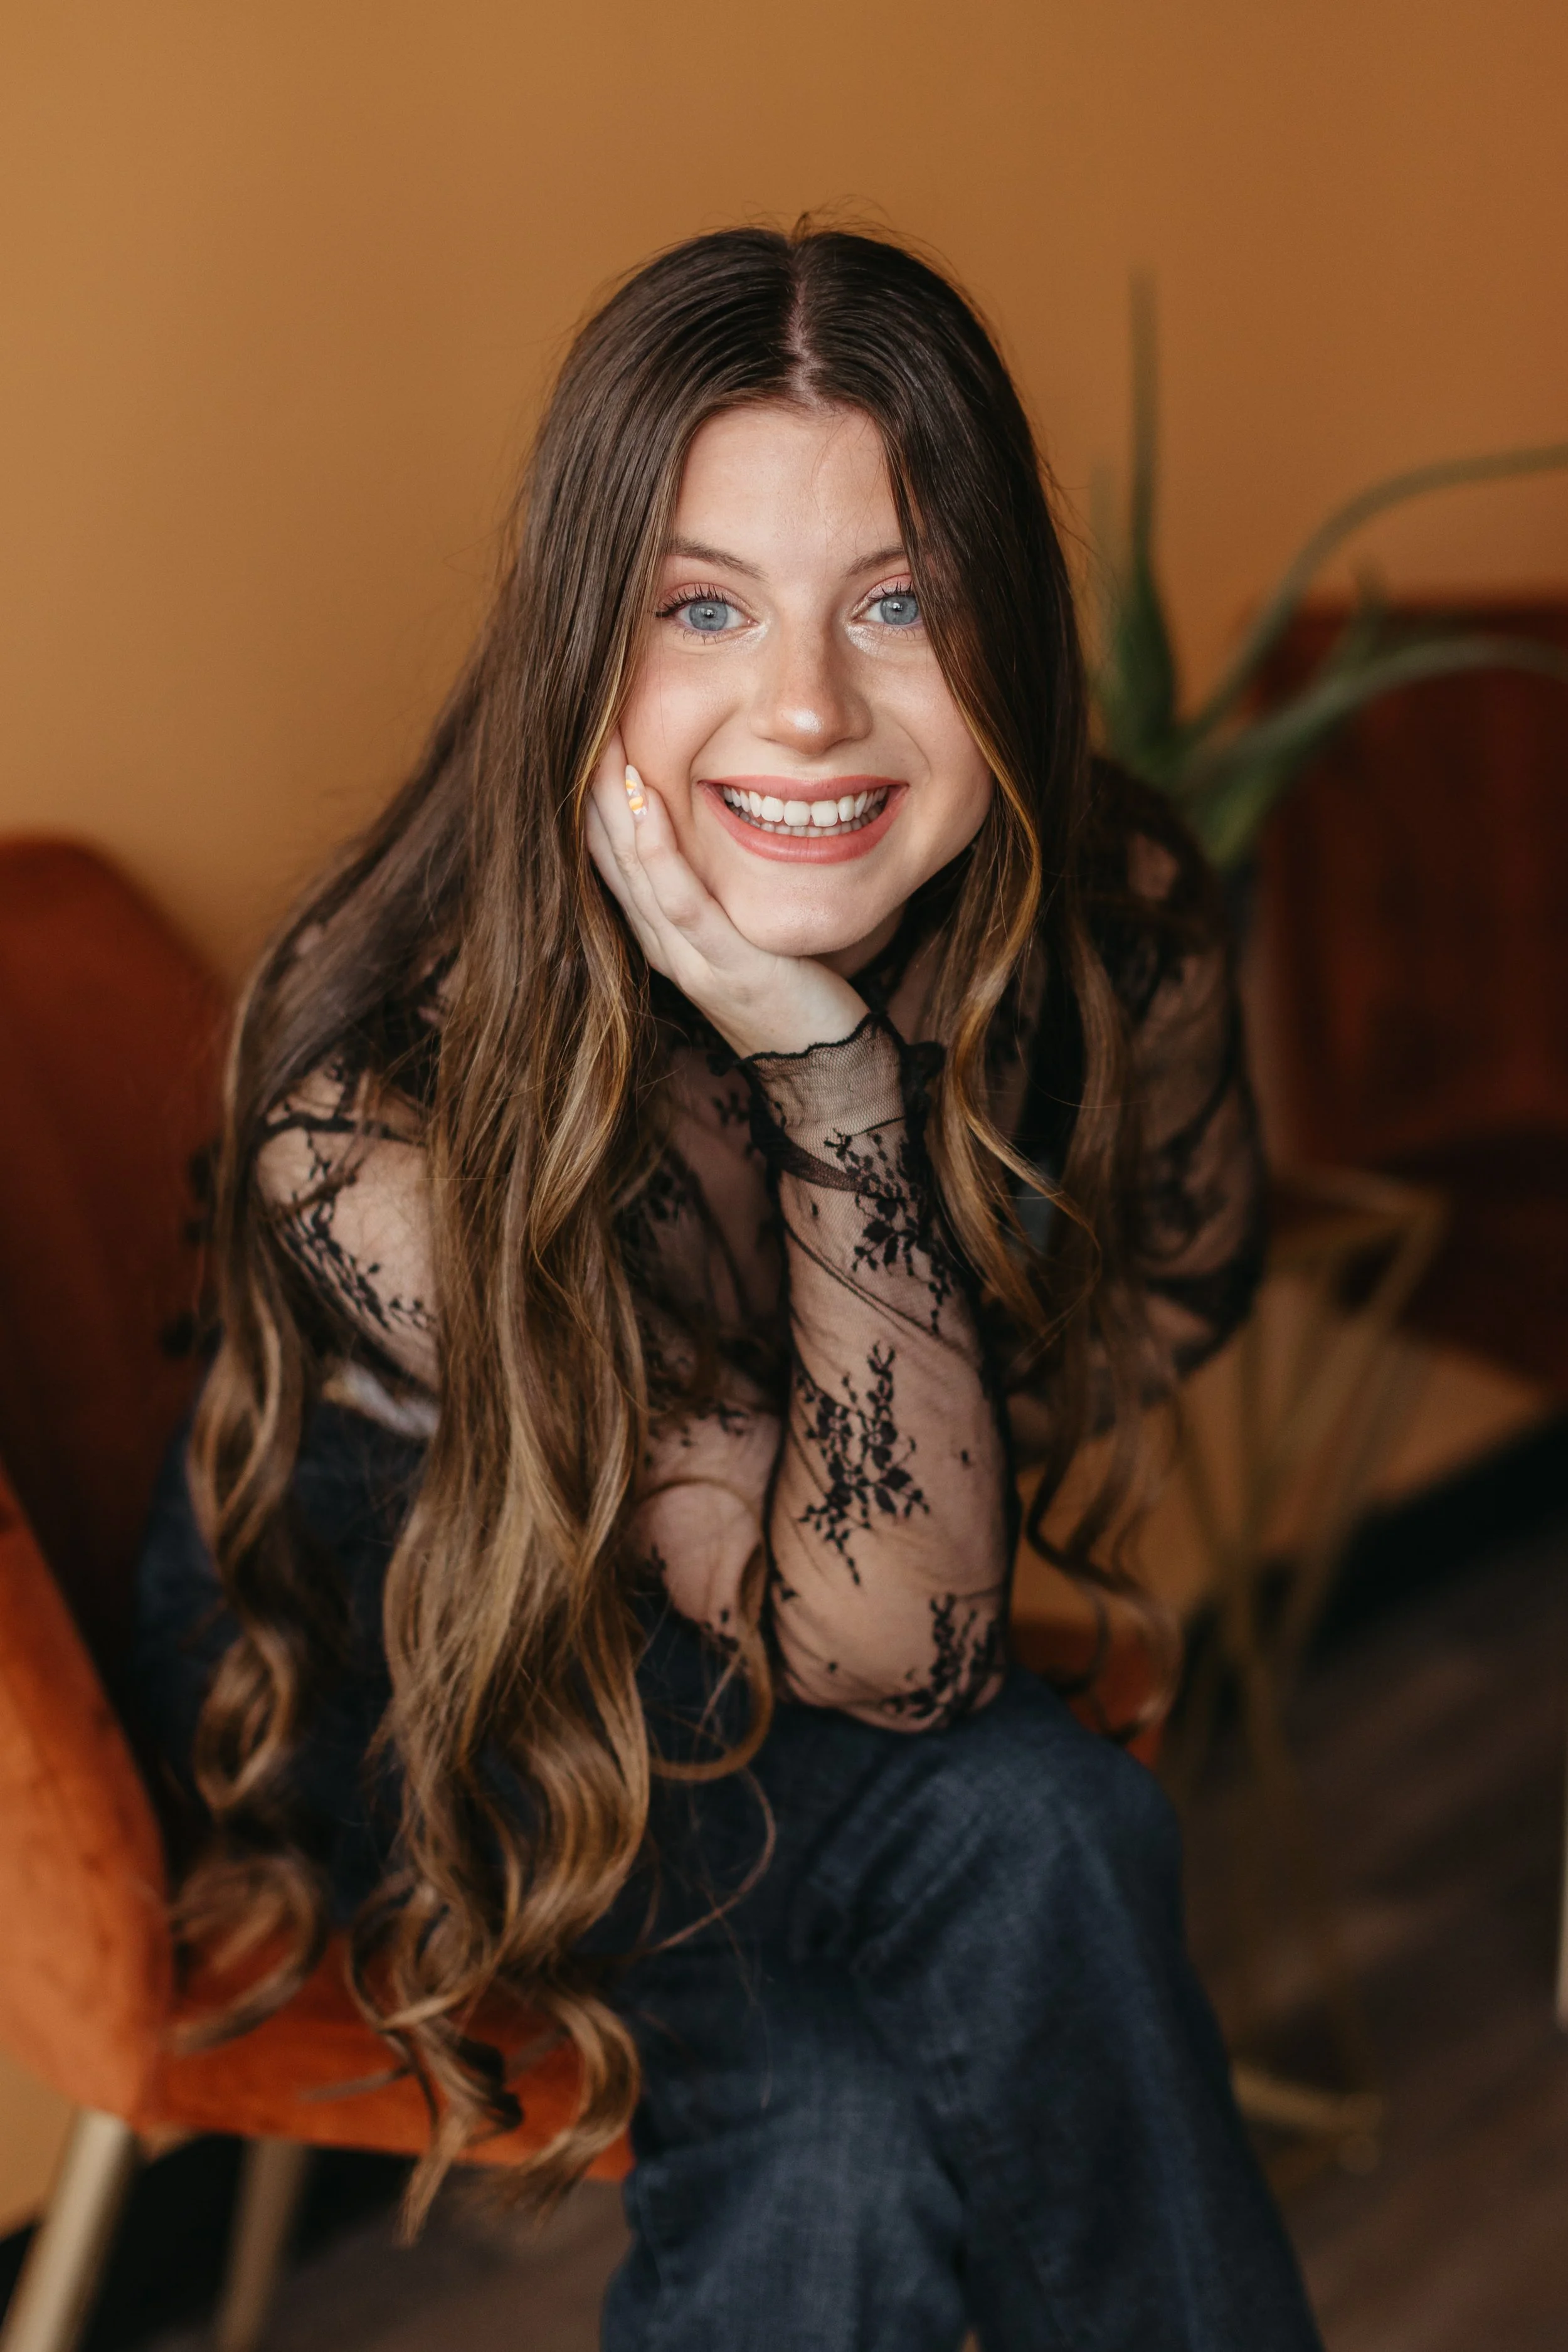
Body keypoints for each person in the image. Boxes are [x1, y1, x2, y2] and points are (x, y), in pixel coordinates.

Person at [133, 223, 1322, 2349]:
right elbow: (893, 1652)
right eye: (703, 605)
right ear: (579, 653)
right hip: (427, 1625)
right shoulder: (374, 1094)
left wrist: (924, 1421)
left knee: (841, 2125)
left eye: (898, 598)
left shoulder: (1106, 903)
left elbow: (1176, 1281)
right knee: (1032, 1818)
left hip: (823, 1654)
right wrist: (822, 1062)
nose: (806, 706)